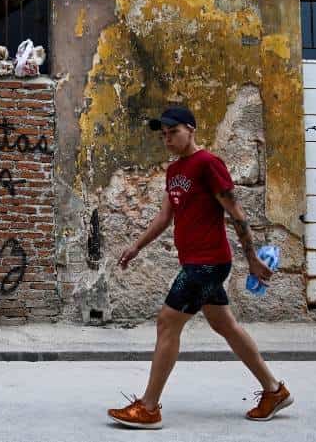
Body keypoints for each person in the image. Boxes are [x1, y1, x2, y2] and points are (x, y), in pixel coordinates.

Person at [107, 105, 294, 430]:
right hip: (196, 261)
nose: (168, 139)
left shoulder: (208, 164)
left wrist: (251, 259)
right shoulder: (174, 171)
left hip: (207, 264)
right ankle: (274, 391)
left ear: (191, 129)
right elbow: (166, 217)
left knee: (167, 322)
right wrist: (136, 246)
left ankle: (149, 408)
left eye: (173, 132)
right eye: (163, 135)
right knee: (226, 326)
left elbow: (236, 212)